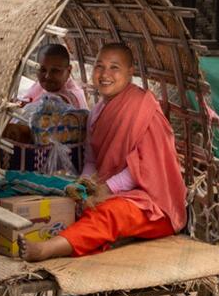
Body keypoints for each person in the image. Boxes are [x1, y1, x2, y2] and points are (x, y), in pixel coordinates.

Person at [20, 43, 187, 261]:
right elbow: (92, 160)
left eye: (114, 68)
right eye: (100, 67)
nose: (105, 74)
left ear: (130, 72)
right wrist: (84, 186)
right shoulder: (97, 111)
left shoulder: (143, 108)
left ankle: (46, 250)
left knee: (109, 213)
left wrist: (105, 190)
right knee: (74, 202)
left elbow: (142, 169)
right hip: (115, 192)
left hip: (153, 204)